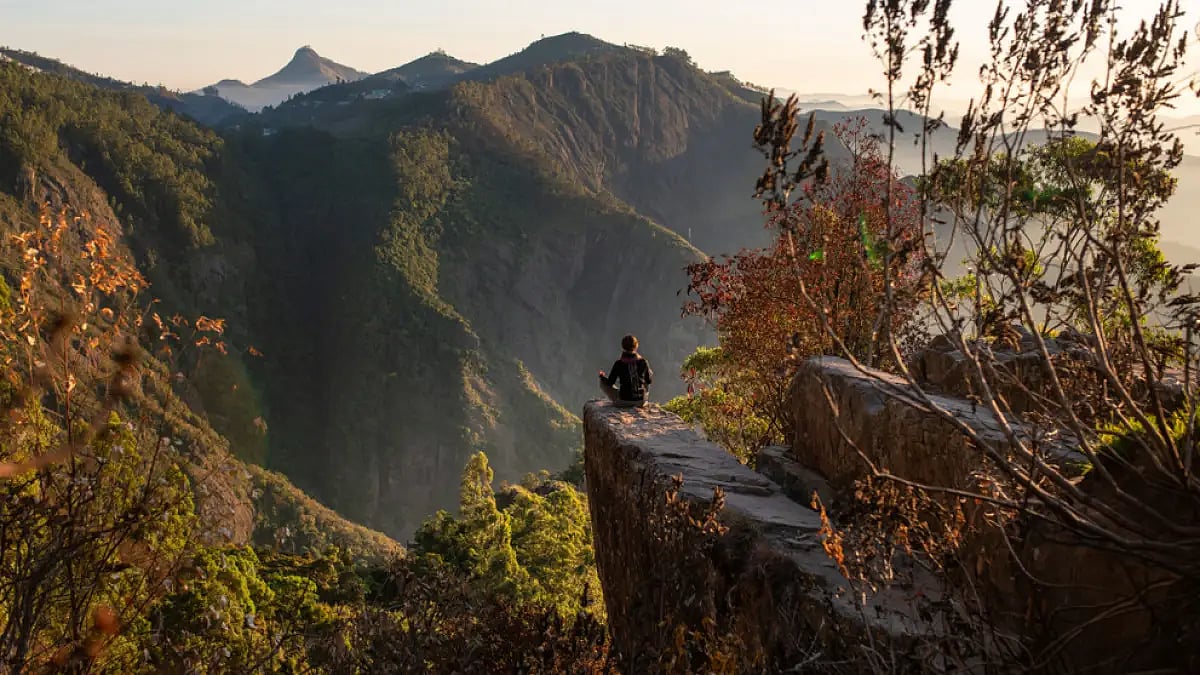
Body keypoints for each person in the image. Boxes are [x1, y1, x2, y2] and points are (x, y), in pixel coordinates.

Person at [598, 335, 653, 407]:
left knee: (603, 382)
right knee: (649, 374)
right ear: (636, 346)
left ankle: (620, 399)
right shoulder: (643, 362)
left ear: (623, 346)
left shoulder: (619, 363)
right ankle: (643, 399)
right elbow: (649, 381)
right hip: (641, 402)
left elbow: (610, 383)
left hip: (623, 401)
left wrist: (602, 377)